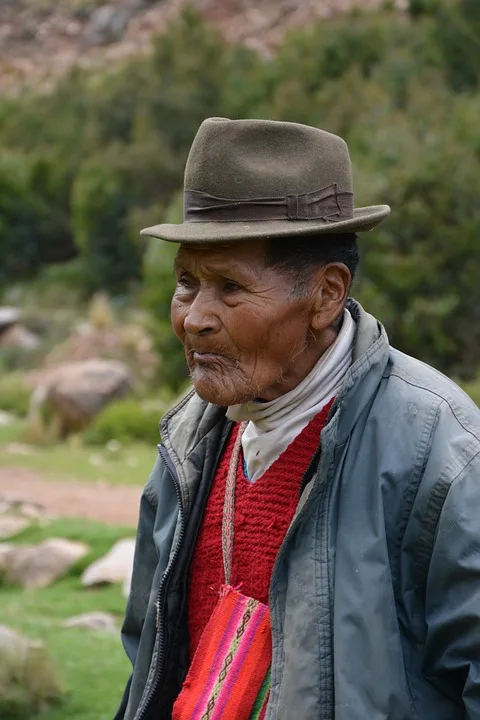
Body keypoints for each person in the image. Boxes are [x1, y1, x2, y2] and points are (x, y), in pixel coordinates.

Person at [114, 118, 480, 720]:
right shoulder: (186, 437)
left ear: (326, 295)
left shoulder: (439, 452)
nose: (195, 318)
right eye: (186, 283)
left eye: (229, 287)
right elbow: (146, 656)